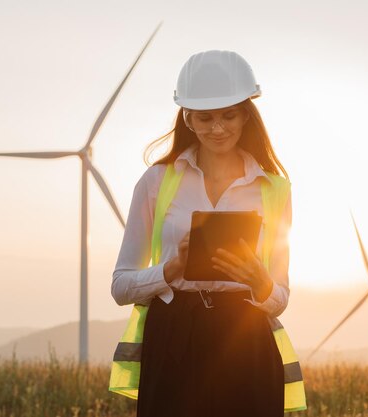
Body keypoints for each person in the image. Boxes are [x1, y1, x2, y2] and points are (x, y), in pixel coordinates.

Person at [109, 50, 306, 417]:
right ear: (187, 117)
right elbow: (120, 286)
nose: (218, 128)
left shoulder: (276, 190)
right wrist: (172, 268)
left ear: (246, 114)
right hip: (173, 340)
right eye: (205, 117)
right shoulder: (156, 182)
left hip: (245, 342)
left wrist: (259, 281)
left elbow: (280, 298)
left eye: (229, 115)